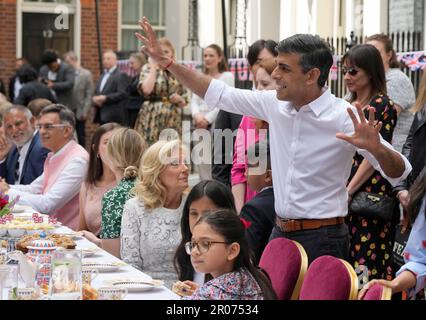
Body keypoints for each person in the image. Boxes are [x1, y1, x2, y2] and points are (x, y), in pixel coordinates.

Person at [136, 18, 411, 263]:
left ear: (312, 75)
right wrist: (168, 63)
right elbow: (217, 93)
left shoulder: (343, 115)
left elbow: (400, 171)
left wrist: (375, 148)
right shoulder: (273, 104)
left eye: (283, 68)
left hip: (324, 238)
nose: (275, 75)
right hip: (279, 233)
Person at [343, 44, 398, 280]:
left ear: (370, 71)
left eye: (353, 71)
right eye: (344, 70)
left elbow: (373, 155)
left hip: (369, 193)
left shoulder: (382, 106)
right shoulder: (346, 104)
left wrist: (349, 189)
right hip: (345, 191)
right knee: (346, 262)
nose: (347, 77)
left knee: (367, 260)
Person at [0, 104, 89, 230]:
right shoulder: (55, 155)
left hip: (66, 235)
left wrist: (6, 192)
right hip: (48, 229)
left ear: (67, 130)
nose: (41, 132)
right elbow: (34, 188)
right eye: (40, 127)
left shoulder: (77, 161)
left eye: (48, 127)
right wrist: (6, 187)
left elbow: (48, 205)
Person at [120, 139, 189, 288]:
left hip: (188, 292)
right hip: (145, 289)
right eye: (175, 163)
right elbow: (131, 263)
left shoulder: (193, 205)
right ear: (156, 171)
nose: (185, 168)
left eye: (185, 162)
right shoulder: (134, 208)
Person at [359, 166, 426, 300]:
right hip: (361, 229)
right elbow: (420, 262)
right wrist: (393, 285)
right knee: (361, 272)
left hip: (376, 229)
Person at [182, 209, 277, 300]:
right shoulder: (249, 277)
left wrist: (203, 293)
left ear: (232, 251)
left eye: (205, 243)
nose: (194, 251)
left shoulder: (214, 292)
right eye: (193, 244)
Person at [82, 128, 146, 257]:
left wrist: (95, 241)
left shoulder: (115, 196)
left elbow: (113, 254)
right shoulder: (153, 186)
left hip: (133, 272)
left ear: (110, 157)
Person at [232, 59, 276, 213]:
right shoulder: (248, 119)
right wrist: (240, 210)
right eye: (256, 84)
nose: (258, 90)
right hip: (251, 208)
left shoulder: (288, 120)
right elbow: (238, 168)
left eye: (264, 84)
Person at [173, 180, 236, 287]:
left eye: (208, 214)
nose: (199, 220)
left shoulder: (226, 255)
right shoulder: (187, 250)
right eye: (194, 213)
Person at [366, 34, 416, 153]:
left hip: (394, 151)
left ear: (389, 55)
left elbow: (383, 118)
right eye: (367, 52)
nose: (371, 57)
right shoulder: (367, 79)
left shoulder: (396, 79)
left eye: (376, 52)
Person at [191, 44, 234, 180]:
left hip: (218, 122)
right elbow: (194, 100)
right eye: (205, 56)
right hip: (200, 124)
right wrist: (197, 116)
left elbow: (225, 100)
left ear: (219, 58)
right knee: (202, 162)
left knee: (218, 161)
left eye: (211, 55)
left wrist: (208, 119)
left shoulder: (227, 76)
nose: (207, 59)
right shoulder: (199, 76)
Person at [135, 38, 188, 145]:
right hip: (151, 115)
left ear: (172, 54)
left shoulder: (178, 70)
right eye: (160, 52)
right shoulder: (148, 68)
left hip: (172, 117)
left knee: (171, 150)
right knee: (150, 148)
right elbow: (146, 90)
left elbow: (185, 100)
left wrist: (179, 99)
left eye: (166, 52)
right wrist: (153, 66)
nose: (163, 54)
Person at [78, 123, 120, 236]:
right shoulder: (87, 186)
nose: (113, 147)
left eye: (118, 142)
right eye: (107, 142)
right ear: (96, 149)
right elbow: (82, 231)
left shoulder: (129, 184)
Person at [240, 140, 275, 263]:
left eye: (250, 167)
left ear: (267, 175)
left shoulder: (253, 209)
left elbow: (249, 253)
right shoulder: (288, 199)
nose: (245, 173)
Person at [0, 105, 49, 185]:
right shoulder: (13, 149)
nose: (14, 130)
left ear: (32, 121)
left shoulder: (42, 148)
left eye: (18, 124)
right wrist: (1, 158)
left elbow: (41, 189)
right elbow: (3, 183)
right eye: (9, 127)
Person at [64, 51, 95, 147]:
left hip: (79, 109)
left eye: (67, 62)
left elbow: (89, 94)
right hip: (67, 108)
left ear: (73, 60)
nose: (66, 65)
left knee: (81, 134)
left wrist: (85, 111)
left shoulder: (86, 74)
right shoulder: (66, 74)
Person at [93, 50, 130, 125]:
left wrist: (105, 98)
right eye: (104, 59)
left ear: (115, 61)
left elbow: (122, 93)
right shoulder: (103, 74)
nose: (105, 61)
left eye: (108, 58)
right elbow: (98, 91)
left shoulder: (121, 75)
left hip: (114, 115)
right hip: (101, 113)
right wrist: (94, 98)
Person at [125, 53, 146, 128]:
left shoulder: (146, 76)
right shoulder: (135, 77)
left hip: (139, 110)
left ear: (140, 62)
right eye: (129, 63)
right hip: (131, 109)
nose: (130, 66)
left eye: (132, 63)